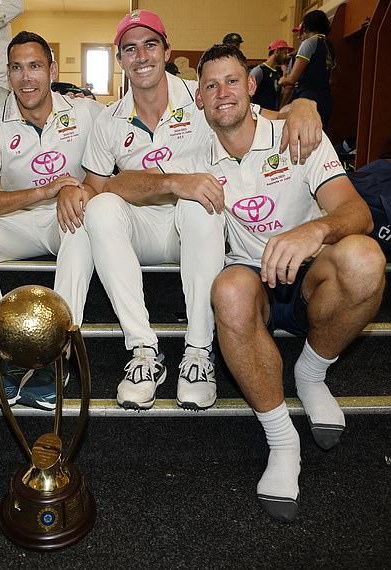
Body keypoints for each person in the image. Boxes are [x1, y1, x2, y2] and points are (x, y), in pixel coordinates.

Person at [78, 10, 323, 412]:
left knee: (200, 200)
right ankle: (143, 353)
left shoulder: (204, 94)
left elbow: (269, 120)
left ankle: (197, 352)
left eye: (150, 45)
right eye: (129, 49)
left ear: (167, 49)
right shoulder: (109, 119)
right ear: (119, 59)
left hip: (196, 227)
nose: (141, 56)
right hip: (142, 226)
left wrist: (305, 106)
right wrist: (174, 180)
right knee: (102, 207)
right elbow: (101, 185)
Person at [188, 44, 385, 521]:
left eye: (232, 81)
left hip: (309, 273)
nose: (222, 93)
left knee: (365, 258)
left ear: (252, 86)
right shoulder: (193, 151)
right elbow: (125, 177)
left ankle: (311, 373)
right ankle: (281, 440)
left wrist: (314, 229)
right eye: (210, 86)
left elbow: (356, 212)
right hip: (250, 280)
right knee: (228, 290)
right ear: (199, 99)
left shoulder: (296, 134)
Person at [0, 31, 103, 410]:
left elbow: (109, 175)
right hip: (17, 221)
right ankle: (4, 352)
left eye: (35, 66)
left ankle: (54, 359)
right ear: (7, 73)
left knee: (82, 220)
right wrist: (43, 192)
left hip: (67, 222)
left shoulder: (86, 112)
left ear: (52, 70)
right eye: (16, 68)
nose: (26, 78)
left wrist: (76, 191)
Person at [279, 10, 335, 127]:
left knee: (301, 138)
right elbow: (332, 80)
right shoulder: (330, 45)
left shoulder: (309, 43)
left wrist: (282, 80)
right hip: (325, 99)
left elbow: (292, 80)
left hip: (307, 99)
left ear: (306, 26)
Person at [250, 39, 293, 111]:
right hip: (259, 114)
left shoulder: (278, 73)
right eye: (284, 53)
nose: (285, 57)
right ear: (277, 51)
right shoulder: (260, 70)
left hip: (271, 114)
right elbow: (248, 92)